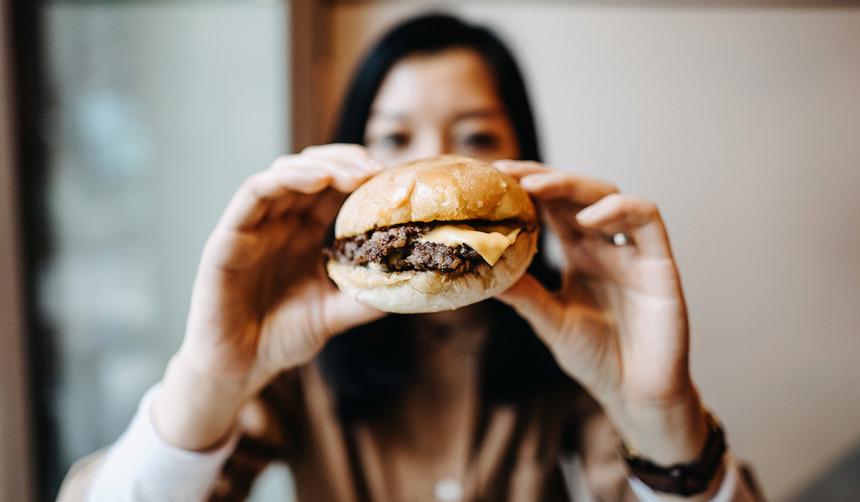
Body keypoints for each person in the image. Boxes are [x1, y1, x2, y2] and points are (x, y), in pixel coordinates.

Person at [59, 13, 761, 502]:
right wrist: (209, 377)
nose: (430, 166)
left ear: (524, 158)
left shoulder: (575, 334)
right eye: (394, 137)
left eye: (476, 137)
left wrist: (664, 415)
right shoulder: (293, 351)